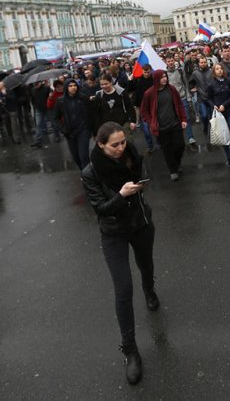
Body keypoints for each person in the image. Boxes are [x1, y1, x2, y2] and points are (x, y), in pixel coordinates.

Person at [80, 123, 158, 386]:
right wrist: (122, 195)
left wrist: (141, 186)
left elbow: (145, 177)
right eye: (115, 144)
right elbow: (100, 208)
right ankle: (130, 350)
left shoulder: (133, 155)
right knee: (123, 289)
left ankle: (149, 288)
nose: (121, 147)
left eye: (123, 141)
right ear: (101, 144)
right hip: (113, 232)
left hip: (141, 224)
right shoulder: (91, 172)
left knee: (146, 266)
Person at [139, 69, 188, 181]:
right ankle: (173, 170)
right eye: (161, 77)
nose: (164, 79)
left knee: (180, 145)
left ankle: (177, 163)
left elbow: (179, 105)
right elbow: (144, 110)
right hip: (161, 127)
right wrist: (150, 122)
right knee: (167, 149)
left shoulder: (171, 89)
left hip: (175, 123)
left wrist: (183, 119)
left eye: (165, 76)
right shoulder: (149, 93)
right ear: (156, 79)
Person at [206, 64, 230, 167]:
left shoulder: (228, 81)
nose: (220, 70)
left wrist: (224, 105)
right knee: (224, 137)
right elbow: (208, 98)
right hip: (219, 114)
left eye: (221, 68)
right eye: (217, 69)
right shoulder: (211, 84)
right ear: (214, 71)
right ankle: (229, 157)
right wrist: (214, 106)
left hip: (229, 110)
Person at [53, 79, 93, 170]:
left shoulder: (83, 98)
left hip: (83, 130)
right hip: (69, 132)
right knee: (76, 156)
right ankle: (84, 171)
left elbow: (91, 113)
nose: (73, 88)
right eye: (70, 86)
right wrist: (62, 129)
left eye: (74, 85)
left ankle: (88, 177)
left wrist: (92, 130)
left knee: (84, 155)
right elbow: (55, 118)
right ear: (66, 88)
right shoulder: (60, 101)